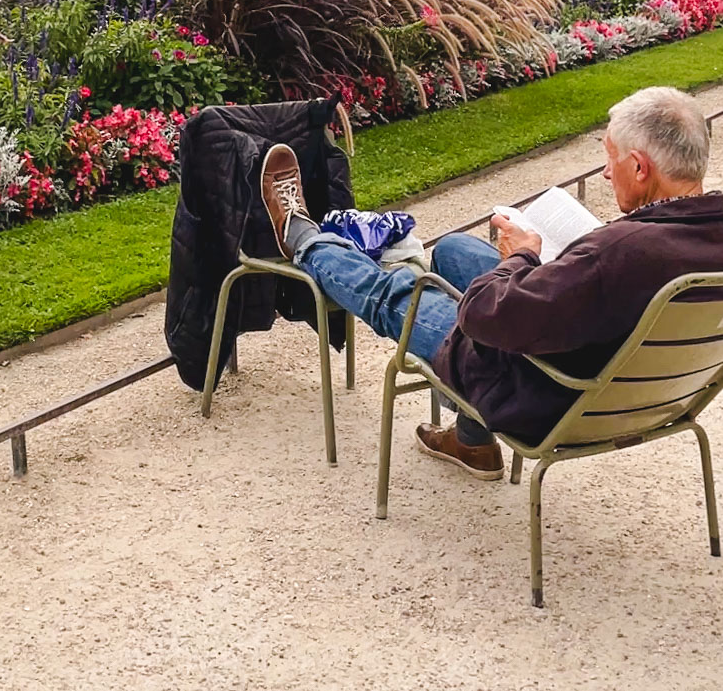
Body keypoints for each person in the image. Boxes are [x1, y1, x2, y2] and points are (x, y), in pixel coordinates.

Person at [260, 87, 723, 480]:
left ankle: (303, 237)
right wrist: (560, 265)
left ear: (640, 168)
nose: (605, 173)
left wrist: (522, 255)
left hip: (544, 393)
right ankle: (471, 442)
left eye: (610, 159)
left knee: (396, 292)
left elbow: (483, 315)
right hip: (647, 394)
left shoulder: (620, 250)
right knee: (455, 252)